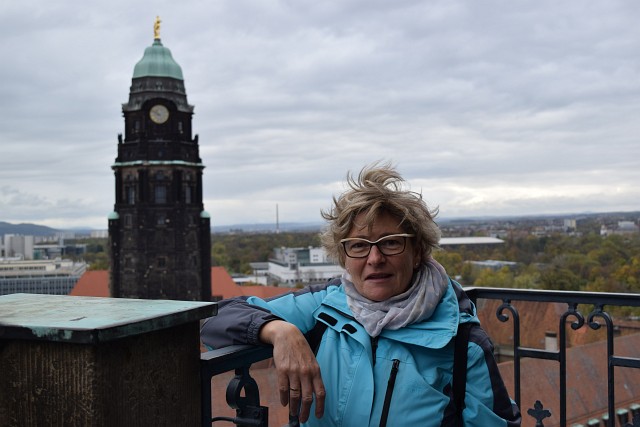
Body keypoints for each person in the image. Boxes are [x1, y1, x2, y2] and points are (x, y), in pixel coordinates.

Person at [201, 163, 521, 427]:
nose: (374, 258)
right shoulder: (325, 305)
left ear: (417, 251)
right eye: (358, 245)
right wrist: (279, 331)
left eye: (391, 242)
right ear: (344, 257)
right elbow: (214, 319)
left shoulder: (463, 342)